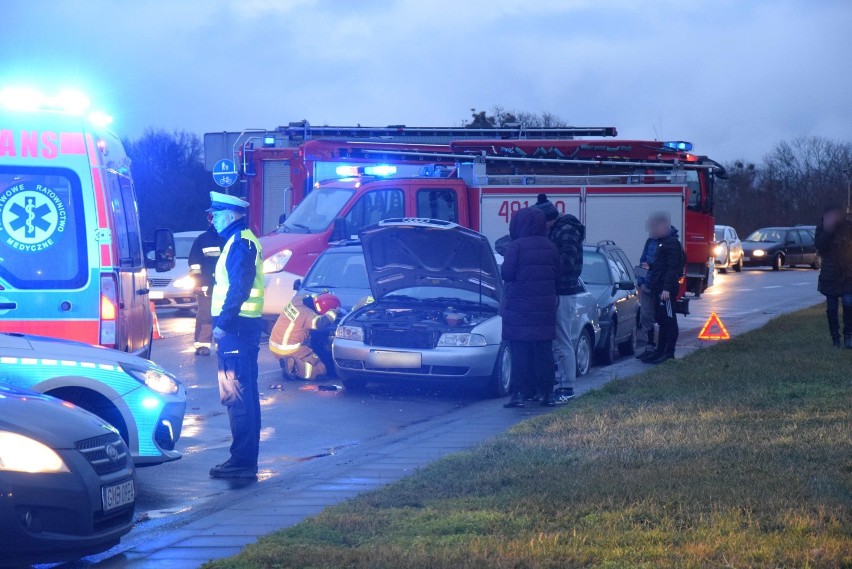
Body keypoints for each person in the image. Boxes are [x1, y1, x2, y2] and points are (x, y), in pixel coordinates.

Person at [207, 191, 265, 479]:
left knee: (237, 396)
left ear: (231, 215)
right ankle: (244, 458)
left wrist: (223, 323)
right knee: (245, 396)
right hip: (244, 328)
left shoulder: (240, 243)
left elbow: (239, 289)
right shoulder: (241, 240)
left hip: (237, 330)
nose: (213, 220)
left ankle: (242, 461)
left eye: (216, 214)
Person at [501, 207, 560, 408]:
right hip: (545, 308)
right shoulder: (551, 246)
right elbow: (558, 275)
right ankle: (547, 394)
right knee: (544, 351)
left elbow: (507, 274)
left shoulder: (516, 246)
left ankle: (519, 394)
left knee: (520, 352)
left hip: (520, 308)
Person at [534, 194, 584, 402]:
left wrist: (544, 269)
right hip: (560, 291)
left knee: (562, 340)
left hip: (563, 292)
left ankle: (567, 388)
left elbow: (566, 263)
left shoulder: (566, 230)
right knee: (560, 341)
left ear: (548, 219)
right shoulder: (560, 229)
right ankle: (563, 384)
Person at [640, 212, 683, 365]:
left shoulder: (671, 243)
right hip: (658, 288)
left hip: (666, 291)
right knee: (663, 321)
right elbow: (662, 265)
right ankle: (660, 351)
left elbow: (673, 268)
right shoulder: (661, 242)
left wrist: (666, 289)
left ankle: (669, 353)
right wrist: (650, 266)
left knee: (669, 321)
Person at [269, 292, 341, 380]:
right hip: (288, 349)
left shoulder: (297, 299)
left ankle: (291, 362)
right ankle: (294, 366)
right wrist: (333, 312)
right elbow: (321, 322)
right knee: (321, 368)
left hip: (274, 344)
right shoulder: (308, 315)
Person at [815, 204, 852, 348]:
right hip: (830, 275)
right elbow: (820, 245)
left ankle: (848, 336)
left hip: (848, 274)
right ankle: (835, 338)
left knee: (849, 305)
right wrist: (827, 231)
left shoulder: (847, 227)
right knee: (832, 308)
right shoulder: (821, 229)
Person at [188, 220, 225, 356]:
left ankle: (224, 345)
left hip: (227, 288)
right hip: (207, 288)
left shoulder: (232, 238)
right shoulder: (203, 240)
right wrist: (197, 283)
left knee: (226, 317)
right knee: (205, 316)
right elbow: (194, 264)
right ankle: (202, 345)